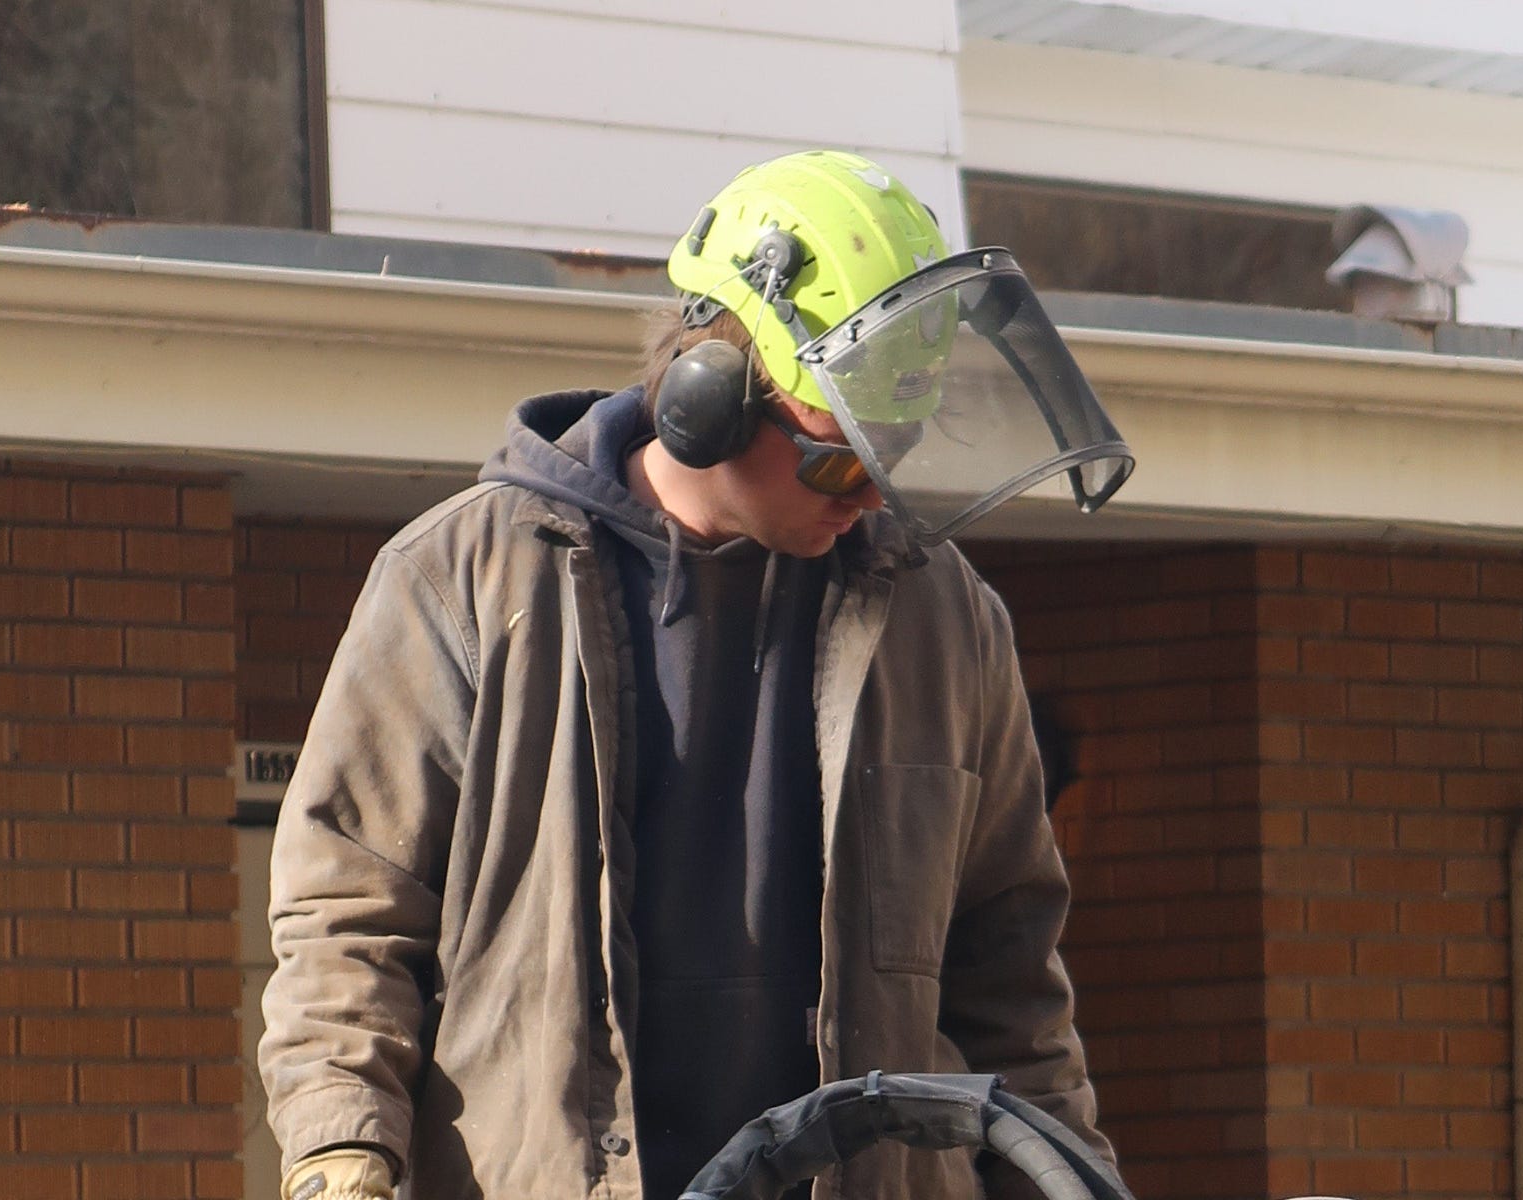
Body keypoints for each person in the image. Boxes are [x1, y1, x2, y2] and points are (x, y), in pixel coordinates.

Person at [259, 148, 1134, 1200]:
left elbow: (1009, 979)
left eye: (891, 454)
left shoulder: (945, 620)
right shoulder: (460, 580)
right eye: (839, 455)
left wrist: (1066, 1179)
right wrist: (340, 1147)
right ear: (702, 400)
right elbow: (348, 918)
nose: (868, 494)